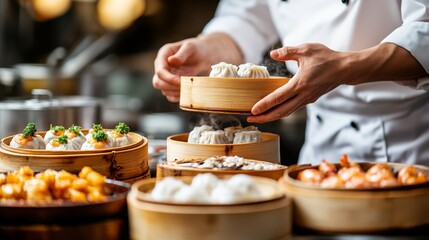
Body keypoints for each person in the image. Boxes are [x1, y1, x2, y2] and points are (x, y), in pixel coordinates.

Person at [153, 0, 429, 166]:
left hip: (413, 144)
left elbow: (424, 30)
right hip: (320, 150)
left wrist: (344, 67)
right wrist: (206, 48)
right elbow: (247, 17)